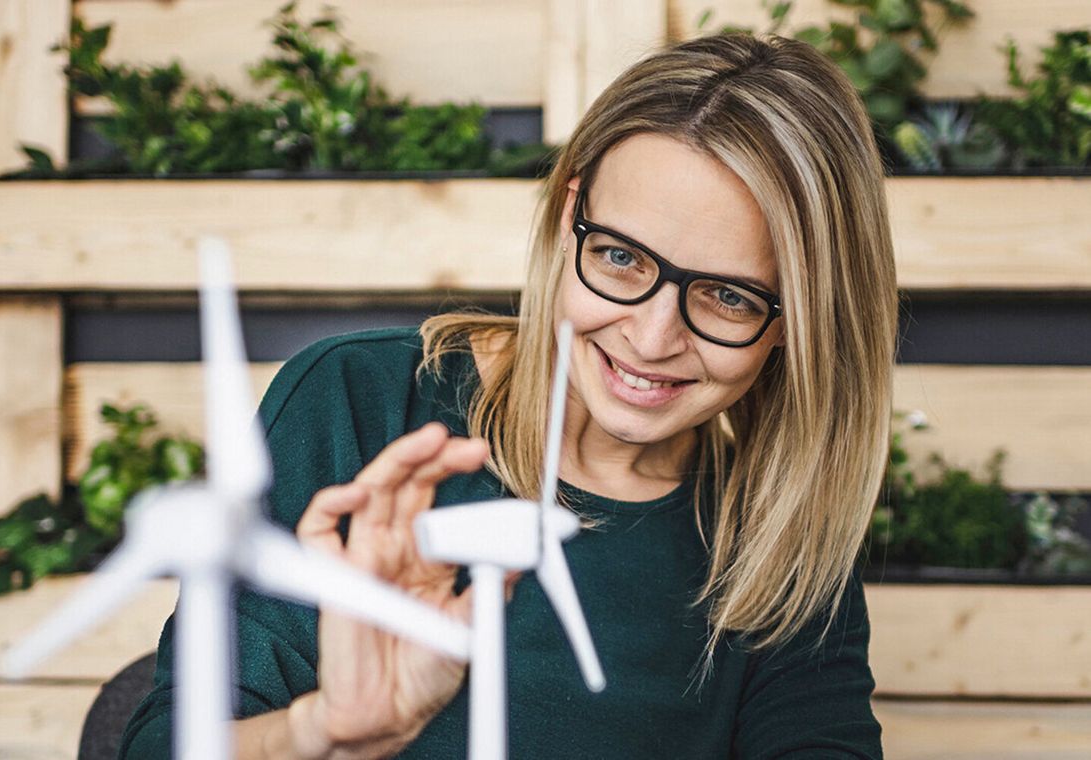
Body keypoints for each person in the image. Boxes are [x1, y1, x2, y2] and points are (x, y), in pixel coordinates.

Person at [121, 32, 895, 759]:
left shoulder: (777, 532)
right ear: (569, 217)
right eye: (621, 257)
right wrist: (321, 731)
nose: (653, 338)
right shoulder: (362, 405)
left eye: (729, 297)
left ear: (800, 318)